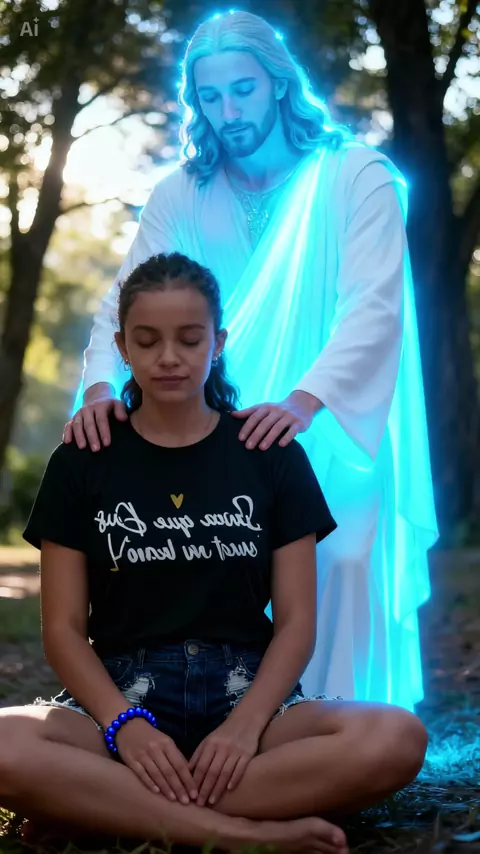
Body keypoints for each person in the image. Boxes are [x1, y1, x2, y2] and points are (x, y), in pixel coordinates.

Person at [64, 10, 438, 710]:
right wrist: (97, 390)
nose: (229, 112)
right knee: (223, 574)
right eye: (210, 97)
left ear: (278, 82)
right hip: (221, 426)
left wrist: (304, 404)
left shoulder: (354, 175)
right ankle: (234, 725)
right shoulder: (184, 190)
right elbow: (124, 300)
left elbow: (373, 305)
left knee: (341, 555)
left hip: (330, 416)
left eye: (243, 90)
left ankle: (339, 730)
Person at [0, 253, 427, 852]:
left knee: (396, 737)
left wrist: (244, 728)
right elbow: (64, 632)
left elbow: (296, 624)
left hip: (249, 693)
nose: (168, 357)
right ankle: (234, 833)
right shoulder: (83, 459)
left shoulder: (270, 454)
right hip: (119, 696)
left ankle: (103, 805)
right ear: (121, 347)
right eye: (147, 340)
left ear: (219, 342)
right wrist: (125, 726)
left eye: (189, 338)